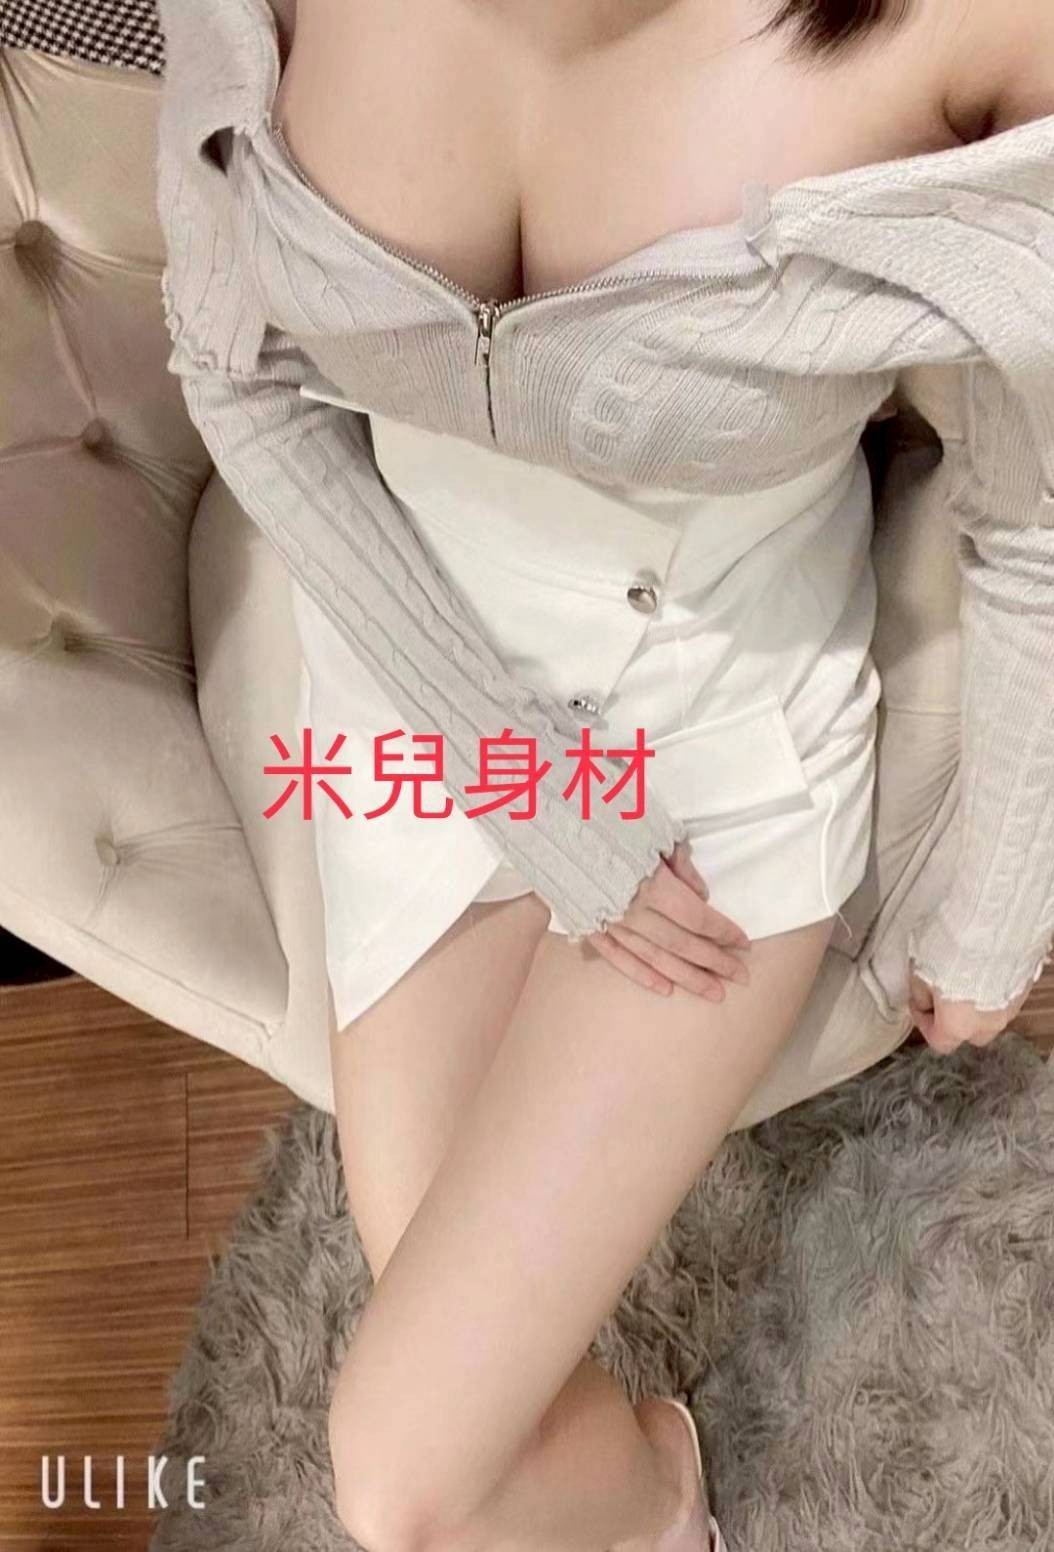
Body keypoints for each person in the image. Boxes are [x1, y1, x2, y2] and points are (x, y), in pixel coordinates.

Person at [156, 0, 1054, 1545]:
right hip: (422, 695)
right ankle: (645, 1498)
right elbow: (235, 377)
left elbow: (1038, 519)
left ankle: (656, 1488)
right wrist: (540, 801)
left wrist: (995, 915)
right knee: (452, 1428)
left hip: (716, 731)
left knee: (398, 1479)